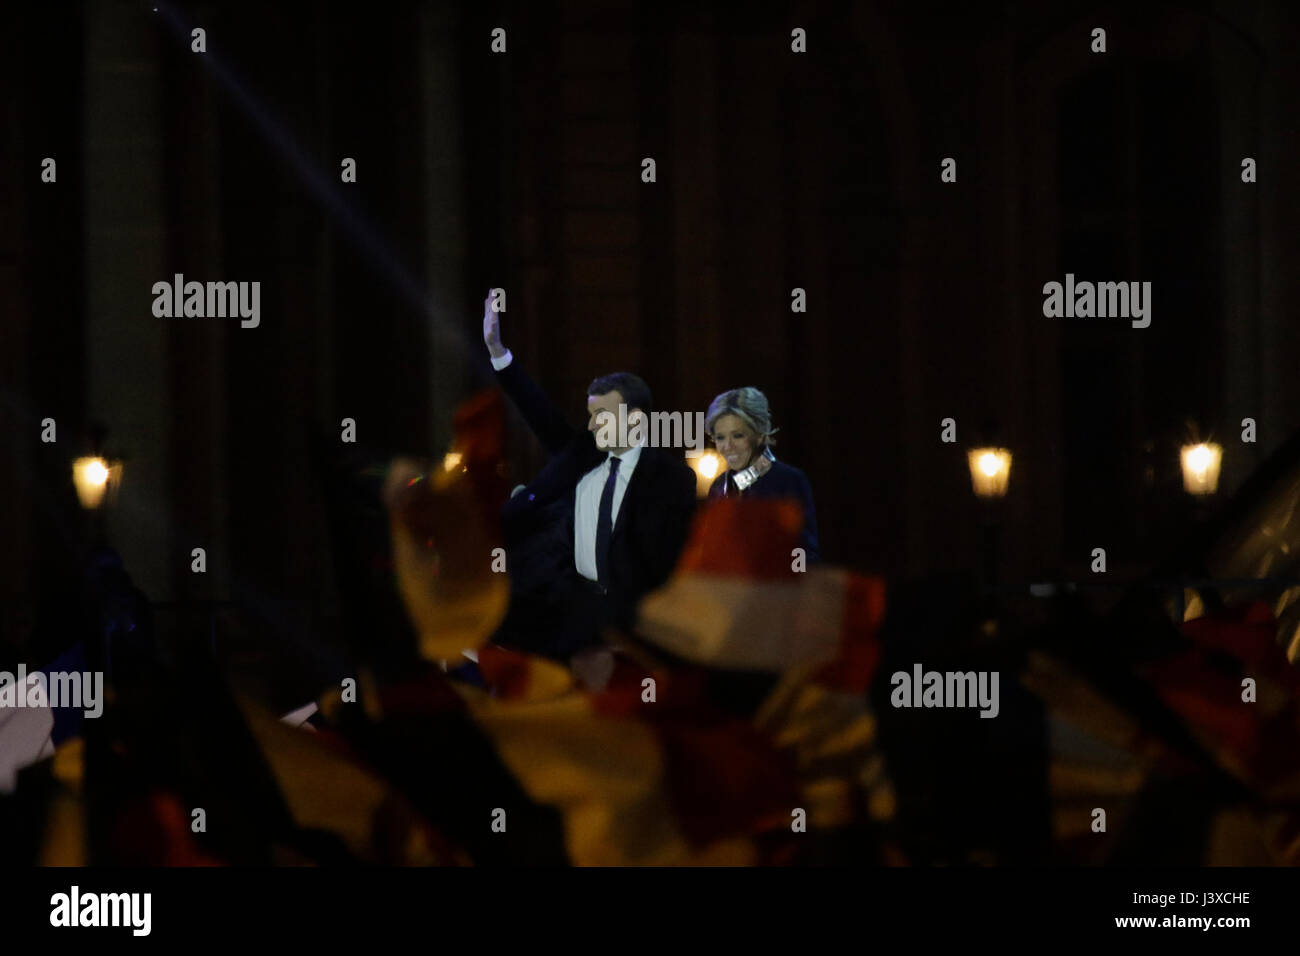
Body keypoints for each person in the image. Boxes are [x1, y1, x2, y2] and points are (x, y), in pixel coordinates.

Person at [483, 293, 697, 667]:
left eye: (604, 415)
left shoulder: (672, 479)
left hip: (630, 633)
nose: (594, 423)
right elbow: (541, 414)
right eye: (592, 414)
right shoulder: (583, 455)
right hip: (559, 619)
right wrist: (499, 354)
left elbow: (666, 564)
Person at [706, 387, 820, 561]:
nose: (727, 446)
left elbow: (804, 552)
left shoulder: (788, 480)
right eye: (720, 437)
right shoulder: (718, 486)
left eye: (738, 435)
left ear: (760, 435)